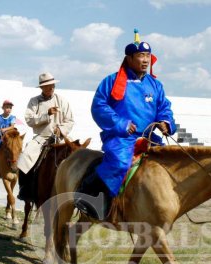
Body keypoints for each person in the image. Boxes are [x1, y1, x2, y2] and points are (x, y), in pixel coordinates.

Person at [75, 29, 177, 220]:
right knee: (120, 163)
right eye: (140, 56)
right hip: (120, 137)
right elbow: (99, 106)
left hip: (148, 136)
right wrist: (120, 123)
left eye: (148, 56)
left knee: (167, 162)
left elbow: (164, 107)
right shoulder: (112, 81)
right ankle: (88, 195)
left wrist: (165, 122)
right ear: (129, 58)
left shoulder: (155, 85)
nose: (145, 60)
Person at [17, 72, 74, 201]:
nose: (51, 87)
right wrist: (46, 114)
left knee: (76, 155)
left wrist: (61, 129)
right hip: (41, 138)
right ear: (42, 87)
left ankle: (77, 190)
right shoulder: (34, 101)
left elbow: (70, 120)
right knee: (25, 158)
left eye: (52, 85)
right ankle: (25, 190)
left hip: (60, 138)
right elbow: (29, 120)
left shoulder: (62, 101)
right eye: (48, 86)